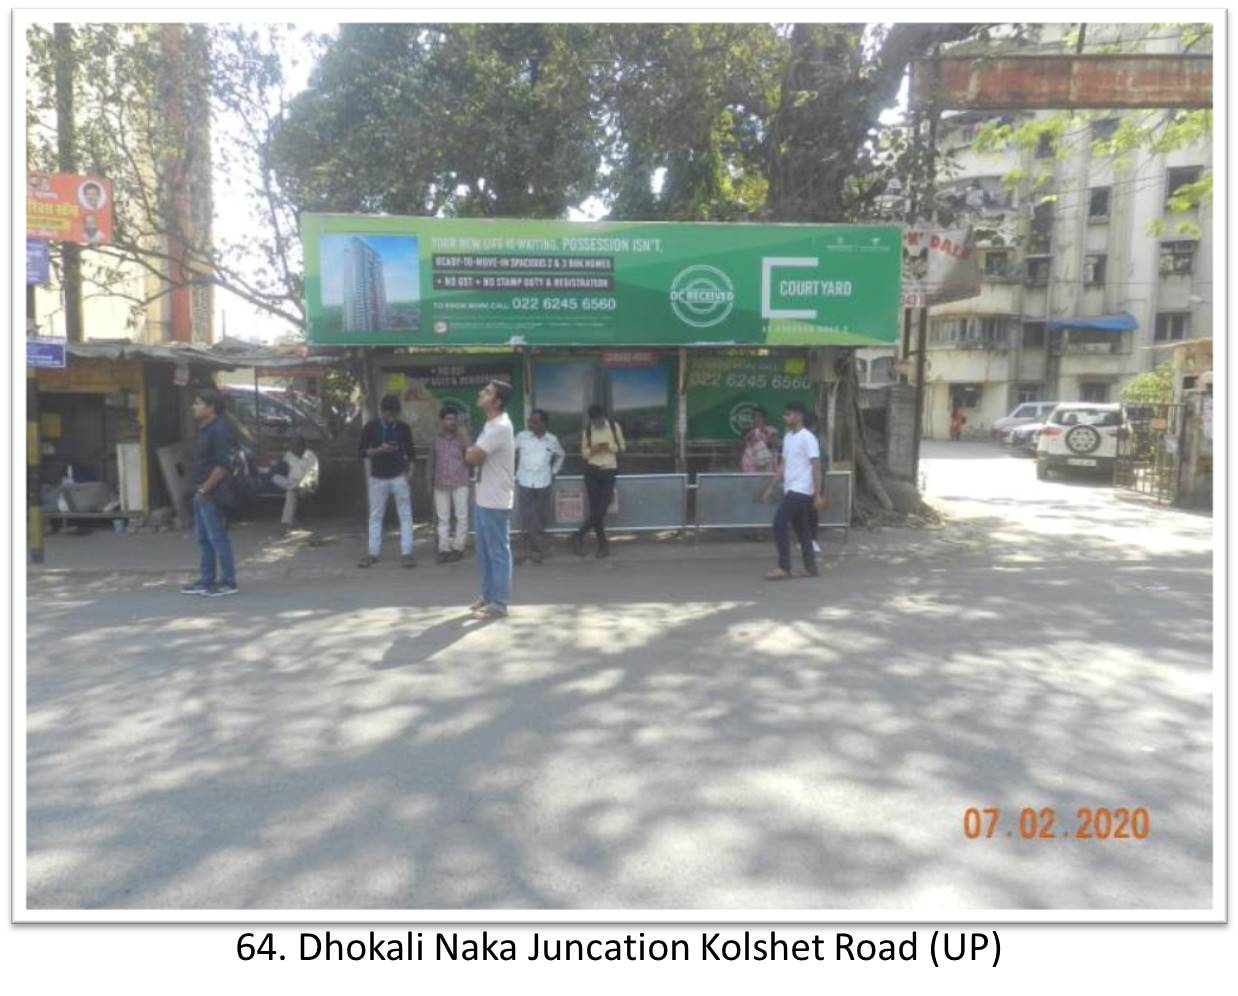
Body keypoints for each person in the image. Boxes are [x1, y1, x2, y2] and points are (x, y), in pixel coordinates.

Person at [464, 380, 516, 619]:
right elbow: (475, 453)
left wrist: (469, 450)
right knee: (484, 552)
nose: (481, 393)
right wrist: (472, 450)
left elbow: (474, 456)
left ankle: (499, 604)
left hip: (495, 500)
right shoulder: (491, 423)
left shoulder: (500, 427)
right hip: (485, 497)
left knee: (497, 552)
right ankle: (487, 597)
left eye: (487, 392)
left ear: (496, 401)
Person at [181, 389, 238, 596]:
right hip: (201, 491)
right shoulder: (205, 429)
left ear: (211, 407)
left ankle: (228, 582)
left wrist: (205, 489)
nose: (194, 407)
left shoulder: (220, 430)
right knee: (203, 539)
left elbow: (222, 465)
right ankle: (207, 580)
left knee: (218, 538)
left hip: (213, 493)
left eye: (198, 403)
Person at [762, 400, 826, 580]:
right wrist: (772, 487)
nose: (785, 417)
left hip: (802, 489)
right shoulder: (789, 437)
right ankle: (811, 568)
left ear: (798, 416)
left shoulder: (808, 438)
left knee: (779, 523)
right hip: (791, 488)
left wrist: (818, 494)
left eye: (788, 414)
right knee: (802, 530)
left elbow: (816, 466)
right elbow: (783, 465)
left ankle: (784, 566)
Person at [358, 393, 417, 568]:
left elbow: (411, 453)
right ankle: (373, 553)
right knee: (376, 516)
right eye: (388, 413)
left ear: (398, 412)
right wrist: (378, 451)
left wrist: (410, 473)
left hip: (399, 476)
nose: (391, 417)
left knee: (405, 515)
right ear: (381, 411)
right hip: (377, 477)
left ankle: (407, 554)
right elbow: (361, 452)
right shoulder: (371, 427)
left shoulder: (403, 428)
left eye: (394, 414)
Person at [572, 403, 625, 558]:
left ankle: (578, 534)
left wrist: (610, 447)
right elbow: (584, 453)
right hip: (592, 471)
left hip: (609, 470)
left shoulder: (614, 427)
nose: (599, 423)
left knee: (601, 509)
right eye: (595, 421)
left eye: (600, 419)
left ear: (604, 415)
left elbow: (622, 448)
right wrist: (593, 450)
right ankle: (603, 546)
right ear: (591, 420)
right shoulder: (588, 431)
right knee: (596, 510)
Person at [514, 408, 565, 564]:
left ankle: (531, 549)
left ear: (544, 423)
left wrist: (554, 471)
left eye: (535, 422)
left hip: (543, 482)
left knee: (541, 517)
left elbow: (561, 455)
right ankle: (534, 550)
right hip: (525, 481)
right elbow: (509, 453)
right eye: (530, 421)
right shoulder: (521, 437)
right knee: (527, 516)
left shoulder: (552, 439)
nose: (531, 424)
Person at [426, 406, 470, 564]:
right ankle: (444, 549)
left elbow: (471, 458)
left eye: (454, 419)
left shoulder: (462, 439)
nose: (452, 422)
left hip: (460, 481)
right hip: (440, 483)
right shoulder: (436, 440)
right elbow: (431, 462)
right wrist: (428, 483)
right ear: (442, 421)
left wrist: (465, 439)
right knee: (443, 518)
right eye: (449, 419)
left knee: (461, 516)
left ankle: (458, 548)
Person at [269, 434, 319, 530]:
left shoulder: (311, 456)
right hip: (292, 484)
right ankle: (295, 487)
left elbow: (312, 476)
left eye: (295, 445)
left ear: (302, 446)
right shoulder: (289, 455)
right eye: (291, 445)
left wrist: (303, 486)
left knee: (290, 493)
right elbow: (280, 467)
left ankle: (286, 523)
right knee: (275, 477)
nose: (292, 448)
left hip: (307, 485)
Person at [740, 406, 779, 473]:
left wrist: (763, 432)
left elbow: (773, 446)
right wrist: (752, 434)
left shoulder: (771, 431)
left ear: (764, 418)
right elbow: (743, 447)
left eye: (759, 417)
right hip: (751, 465)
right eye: (754, 417)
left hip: (767, 464)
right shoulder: (747, 431)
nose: (756, 419)